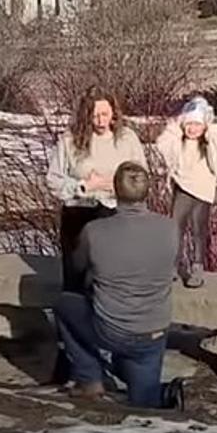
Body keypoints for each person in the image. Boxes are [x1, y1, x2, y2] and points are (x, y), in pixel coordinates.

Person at [53, 162, 185, 410]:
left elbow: (78, 269)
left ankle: (89, 378)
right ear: (148, 192)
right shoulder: (169, 228)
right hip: (153, 331)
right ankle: (164, 393)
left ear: (114, 191)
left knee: (64, 304)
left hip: (110, 329)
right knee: (143, 400)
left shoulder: (94, 231)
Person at [47, 86, 147, 295]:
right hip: (79, 215)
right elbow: (53, 180)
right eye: (94, 116)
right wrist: (83, 186)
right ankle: (73, 323)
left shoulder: (127, 138)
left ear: (113, 113)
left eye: (105, 114)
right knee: (77, 282)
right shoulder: (70, 140)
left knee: (113, 280)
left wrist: (119, 185)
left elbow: (142, 177)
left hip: (117, 214)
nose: (101, 121)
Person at [156, 96, 217, 288]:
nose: (193, 129)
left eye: (197, 124)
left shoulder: (210, 143)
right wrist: (175, 125)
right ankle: (173, 265)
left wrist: (211, 128)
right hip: (182, 188)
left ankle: (197, 267)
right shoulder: (178, 142)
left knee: (199, 231)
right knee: (176, 228)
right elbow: (162, 145)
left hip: (202, 191)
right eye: (189, 124)